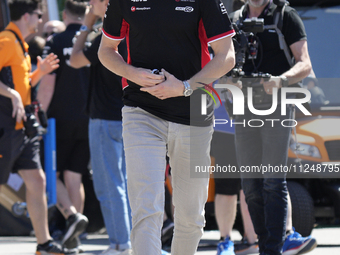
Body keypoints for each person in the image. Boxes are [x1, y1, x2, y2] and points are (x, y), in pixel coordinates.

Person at [97, 0, 236, 254]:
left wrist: (184, 87)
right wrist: (131, 73)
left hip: (194, 113)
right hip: (141, 112)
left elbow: (226, 56)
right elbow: (106, 50)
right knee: (146, 208)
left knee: (191, 217)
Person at [226, 0, 316, 255]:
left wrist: (280, 80)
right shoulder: (234, 20)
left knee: (273, 180)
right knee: (251, 185)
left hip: (277, 105)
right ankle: (266, 245)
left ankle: (273, 249)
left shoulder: (286, 16)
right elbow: (222, 62)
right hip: (244, 106)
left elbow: (305, 63)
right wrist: (229, 81)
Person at [0, 0, 75, 254]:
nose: (42, 19)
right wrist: (12, 94)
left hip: (22, 128)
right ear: (27, 16)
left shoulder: (20, 44)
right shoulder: (6, 41)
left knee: (37, 180)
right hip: (6, 128)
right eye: (39, 14)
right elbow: (12, 89)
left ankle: (43, 245)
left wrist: (38, 74)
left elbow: (21, 84)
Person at [69, 0, 131, 254]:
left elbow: (74, 59)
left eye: (92, 1)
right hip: (128, 116)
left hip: (106, 118)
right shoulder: (131, 30)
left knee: (109, 186)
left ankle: (120, 243)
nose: (88, 4)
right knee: (126, 185)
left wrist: (86, 24)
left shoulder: (107, 37)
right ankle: (128, 242)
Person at [38, 0, 89, 251]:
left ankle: (71, 217)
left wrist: (38, 116)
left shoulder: (55, 41)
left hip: (59, 120)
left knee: (50, 173)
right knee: (75, 176)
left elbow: (47, 84)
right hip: (89, 117)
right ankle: (73, 238)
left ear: (65, 14)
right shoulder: (92, 41)